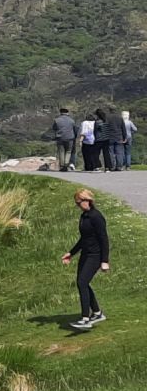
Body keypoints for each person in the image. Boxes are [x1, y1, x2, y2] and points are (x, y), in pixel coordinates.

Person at [62, 188, 110, 329]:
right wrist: (71, 253)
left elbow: (104, 239)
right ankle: (97, 313)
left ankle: (85, 318)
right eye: (76, 203)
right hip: (86, 254)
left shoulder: (96, 217)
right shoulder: (84, 216)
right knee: (81, 282)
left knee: (83, 282)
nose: (78, 205)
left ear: (87, 200)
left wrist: (105, 261)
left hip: (95, 255)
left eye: (79, 202)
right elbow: (84, 239)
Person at [96, 108, 121, 172]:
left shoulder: (98, 122)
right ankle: (108, 167)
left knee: (96, 153)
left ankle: (98, 166)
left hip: (99, 139)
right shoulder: (107, 121)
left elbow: (95, 130)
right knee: (106, 154)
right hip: (106, 139)